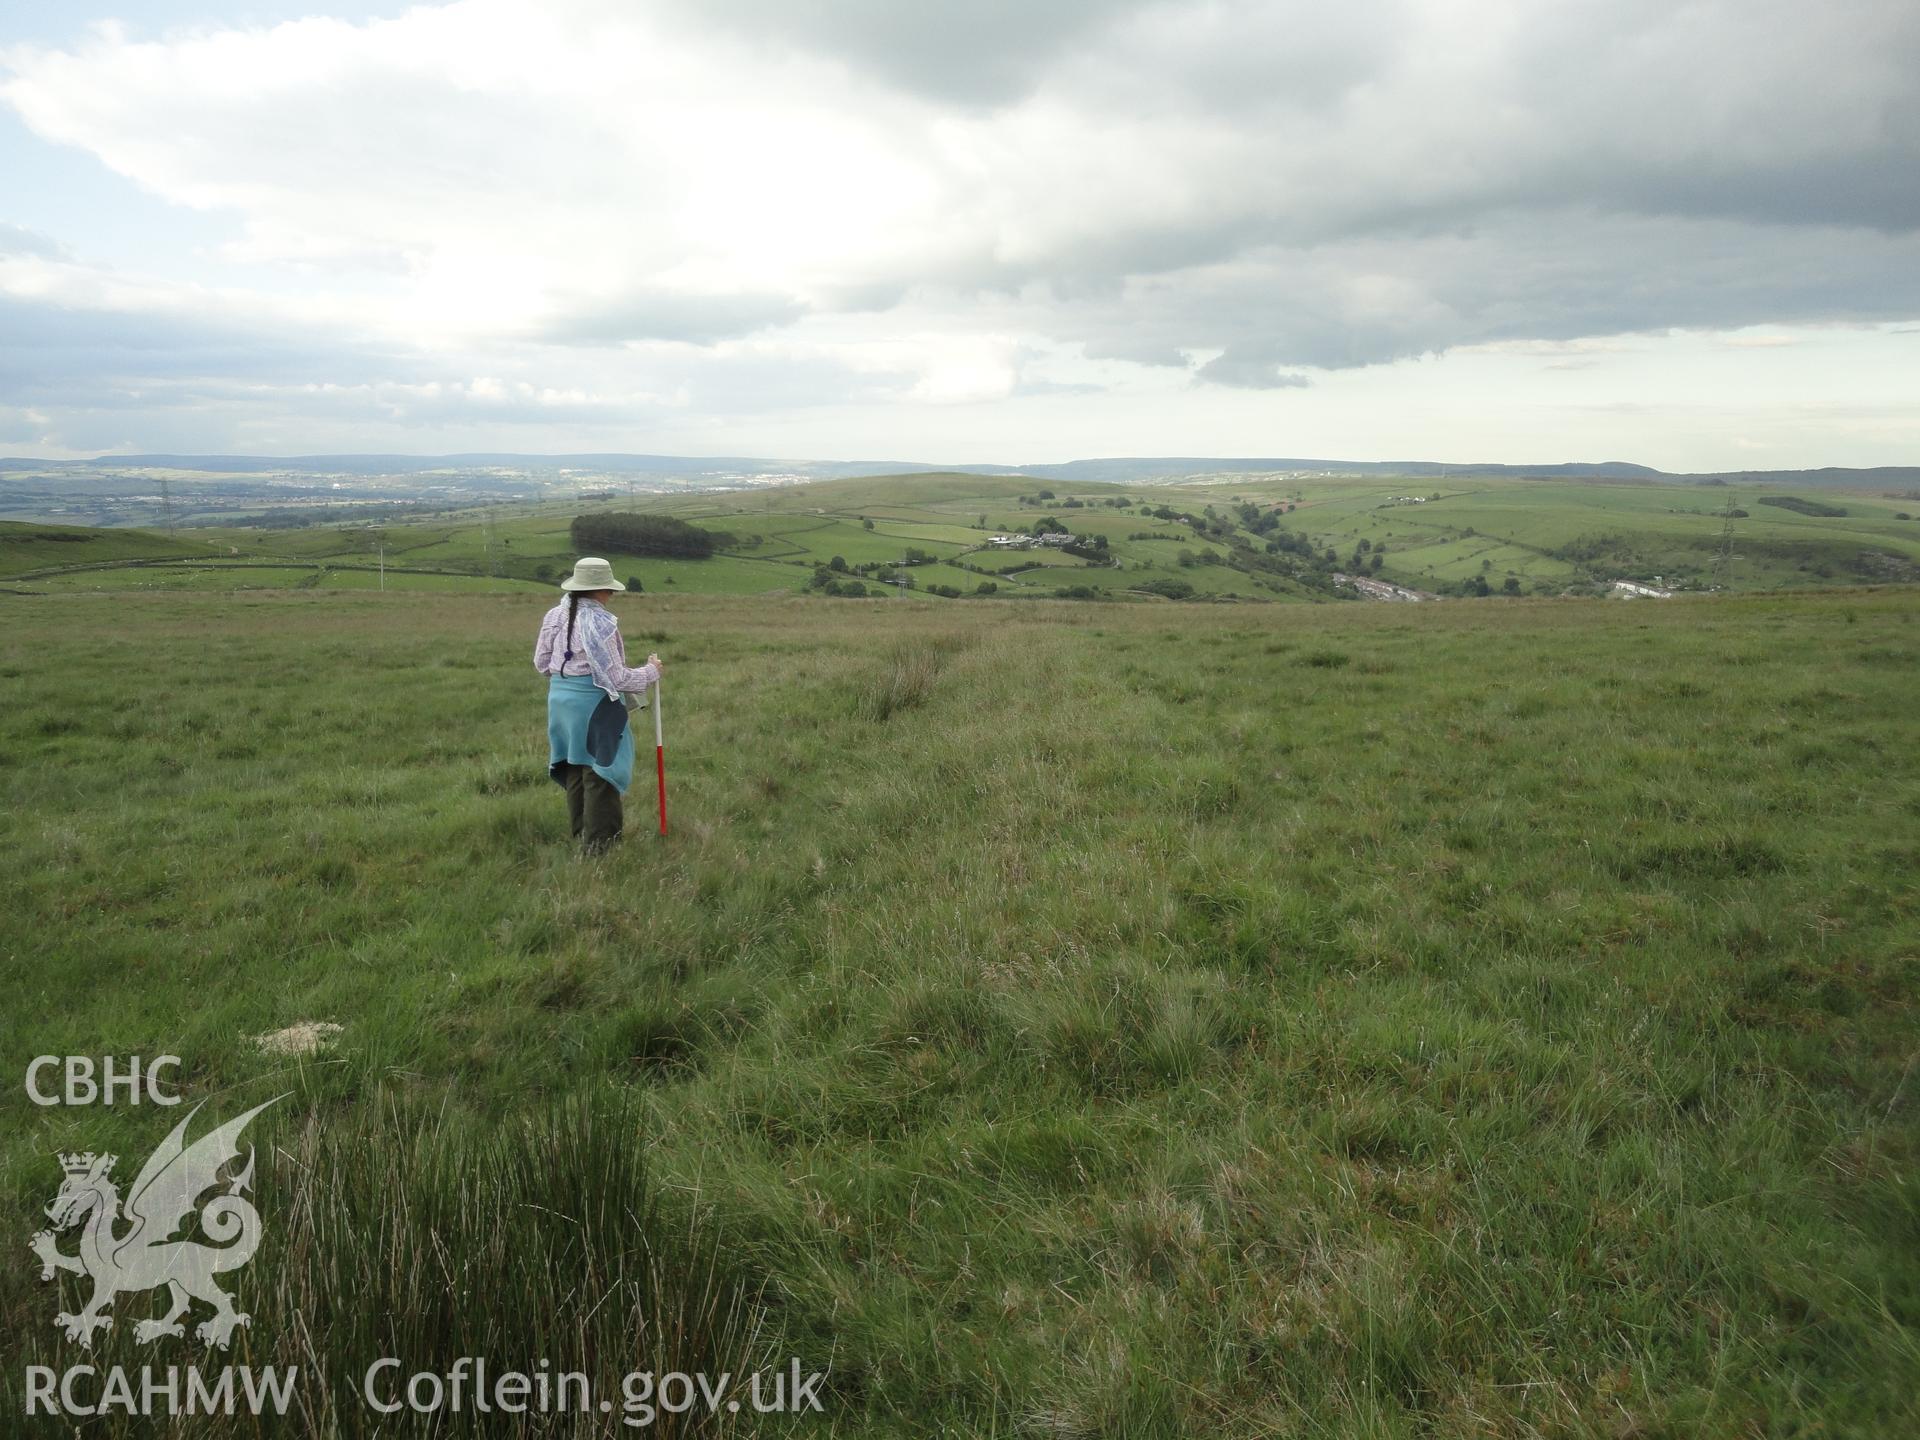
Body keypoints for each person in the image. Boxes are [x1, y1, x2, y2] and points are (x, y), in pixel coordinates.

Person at [533, 557, 662, 853]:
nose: (611, 595)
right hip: (592, 704)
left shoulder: (554, 615)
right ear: (600, 590)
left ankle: (580, 836)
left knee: (574, 766)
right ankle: (601, 848)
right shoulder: (600, 623)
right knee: (600, 770)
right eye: (609, 589)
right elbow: (616, 677)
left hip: (559, 700)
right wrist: (651, 672)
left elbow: (541, 663)